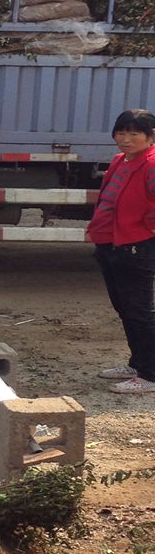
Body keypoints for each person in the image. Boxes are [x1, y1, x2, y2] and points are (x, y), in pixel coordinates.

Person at [87, 108, 155, 394]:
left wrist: (143, 231)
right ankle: (137, 362)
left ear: (151, 137)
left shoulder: (151, 165)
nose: (125, 139)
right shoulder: (121, 160)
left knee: (139, 309)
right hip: (110, 243)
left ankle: (150, 374)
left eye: (134, 133)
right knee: (124, 306)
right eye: (121, 132)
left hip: (135, 245)